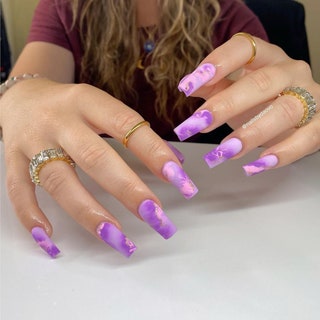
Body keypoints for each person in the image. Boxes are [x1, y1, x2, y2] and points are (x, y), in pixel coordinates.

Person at [0, 0, 319, 258]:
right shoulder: (65, 9)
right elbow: (32, 81)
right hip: (93, 229)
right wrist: (20, 98)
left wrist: (291, 119)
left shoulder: (230, 16)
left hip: (222, 225)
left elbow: (274, 106)